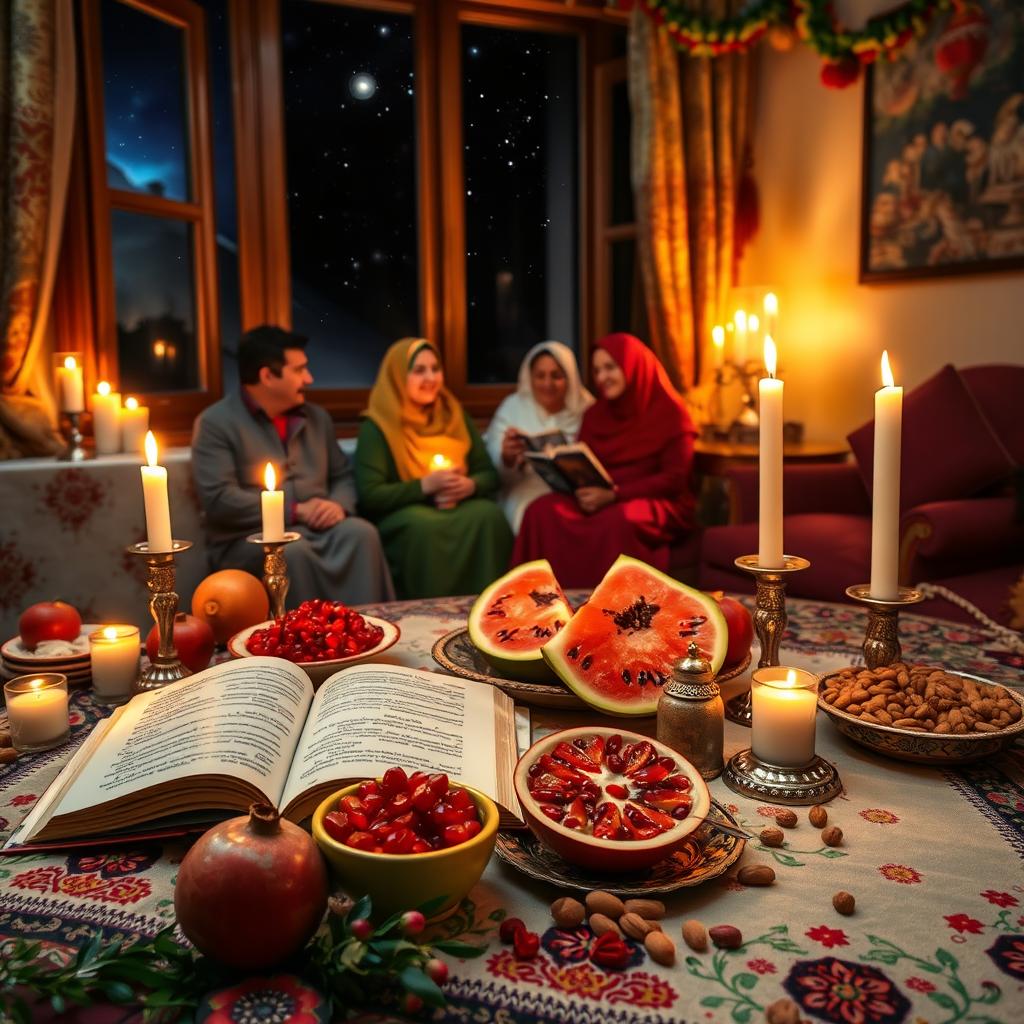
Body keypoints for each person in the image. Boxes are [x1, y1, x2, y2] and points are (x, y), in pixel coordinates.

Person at [191, 325, 395, 606]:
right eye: (299, 370)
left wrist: (338, 505)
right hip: (251, 539)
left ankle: (367, 630)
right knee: (291, 552)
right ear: (267, 376)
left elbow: (342, 476)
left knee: (362, 533)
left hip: (322, 529)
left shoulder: (317, 418)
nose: (308, 378)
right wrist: (295, 511)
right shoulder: (215, 424)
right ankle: (302, 642)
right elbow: (220, 499)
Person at [510, 332, 697, 588]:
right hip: (600, 496)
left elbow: (674, 481)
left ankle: (609, 607)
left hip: (655, 500)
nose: (601, 377)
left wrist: (615, 494)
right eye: (597, 370)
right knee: (540, 511)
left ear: (633, 365)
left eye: (610, 367)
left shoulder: (672, 412)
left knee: (618, 520)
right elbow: (585, 462)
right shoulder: (596, 413)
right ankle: (537, 599)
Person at [354, 337, 513, 598]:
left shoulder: (453, 413)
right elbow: (370, 496)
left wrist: (470, 485)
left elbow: (488, 474)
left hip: (459, 505)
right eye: (419, 370)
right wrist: (424, 486)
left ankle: (491, 608)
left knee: (489, 515)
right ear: (397, 376)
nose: (430, 377)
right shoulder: (378, 425)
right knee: (423, 528)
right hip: (406, 513)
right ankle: (426, 609)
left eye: (435, 369)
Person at [484, 340, 593, 532]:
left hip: (576, 495)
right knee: (529, 516)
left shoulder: (588, 410)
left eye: (556, 376)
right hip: (525, 489)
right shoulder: (513, 408)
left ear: (570, 378)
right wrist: (506, 455)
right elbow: (491, 460)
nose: (547, 384)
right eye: (540, 376)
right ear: (530, 378)